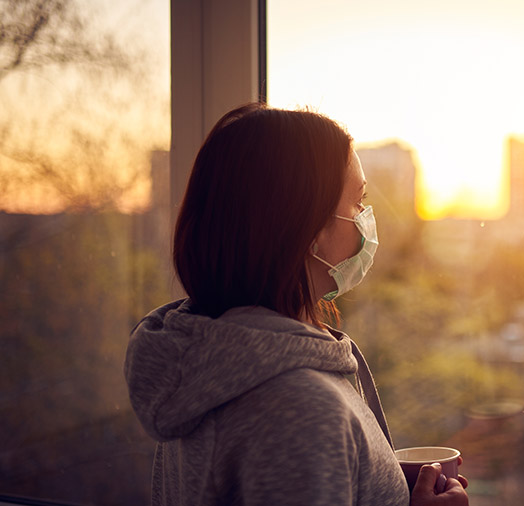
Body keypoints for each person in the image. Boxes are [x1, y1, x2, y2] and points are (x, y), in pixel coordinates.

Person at [124, 103, 469, 506]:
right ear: (308, 229)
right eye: (357, 202)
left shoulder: (206, 364)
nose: (365, 219)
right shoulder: (300, 410)